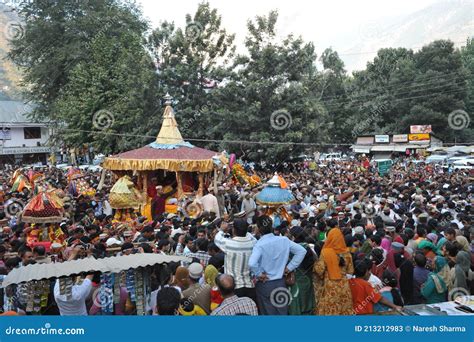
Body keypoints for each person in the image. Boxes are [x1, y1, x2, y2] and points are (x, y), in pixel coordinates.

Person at [248, 216, 306, 315]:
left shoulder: (259, 244)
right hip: (281, 283)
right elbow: (301, 251)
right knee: (282, 312)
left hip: (265, 284)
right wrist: (289, 268)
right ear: (272, 226)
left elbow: (252, 263)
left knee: (268, 312)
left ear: (258, 228)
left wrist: (259, 274)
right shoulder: (283, 240)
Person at [313, 225, 354, 315]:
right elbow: (350, 271)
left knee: (331, 308)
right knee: (344, 307)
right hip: (344, 285)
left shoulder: (325, 252)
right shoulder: (347, 253)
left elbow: (319, 270)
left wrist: (315, 264)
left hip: (330, 285)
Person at [214, 219, 256, 302]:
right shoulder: (253, 242)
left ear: (233, 230)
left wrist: (222, 229)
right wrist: (243, 228)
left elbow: (217, 239)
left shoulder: (228, 244)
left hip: (235, 288)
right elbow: (250, 235)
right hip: (250, 286)